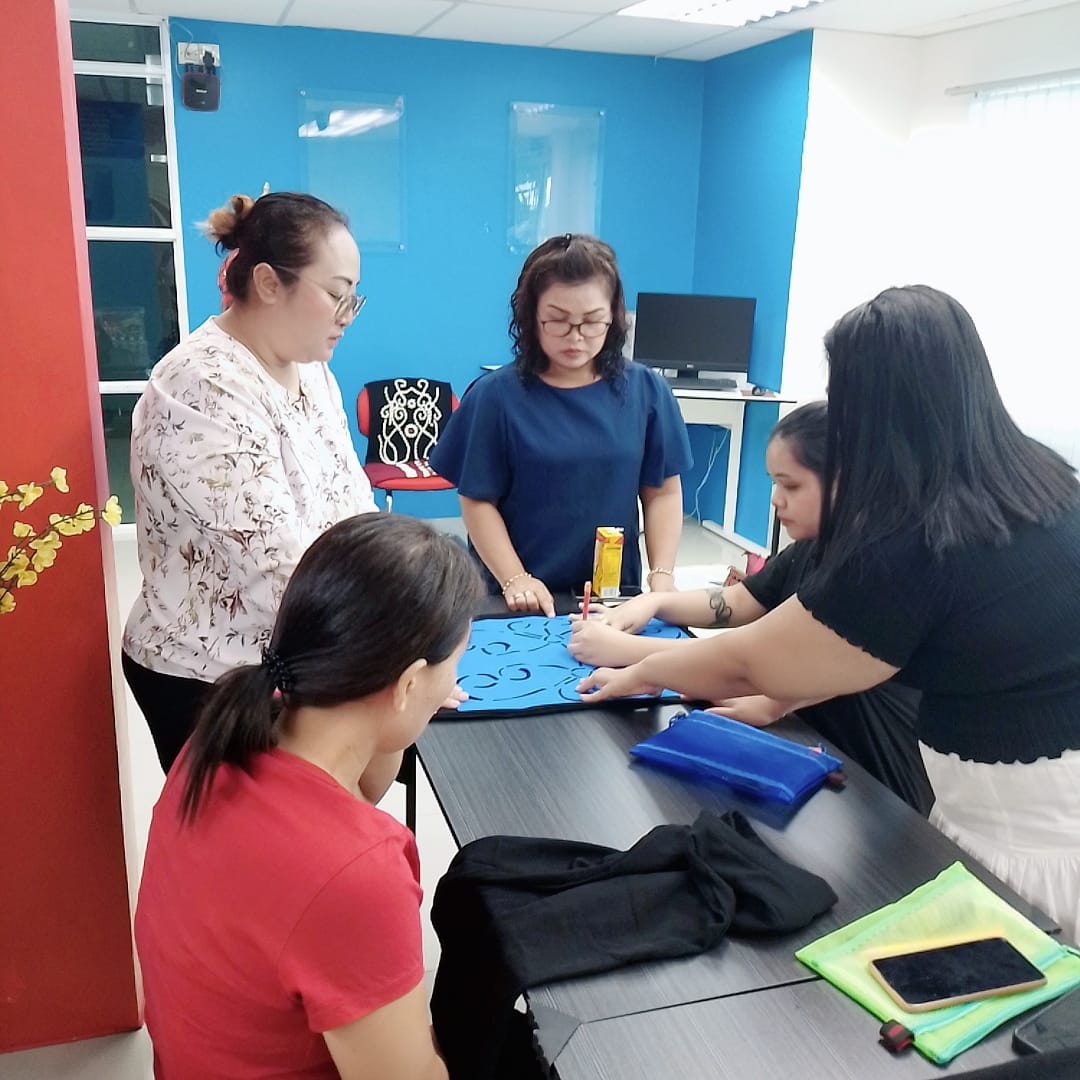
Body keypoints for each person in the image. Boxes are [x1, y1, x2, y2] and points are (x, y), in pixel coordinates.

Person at [577, 286, 1080, 944]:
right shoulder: (1042, 478)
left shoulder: (917, 539)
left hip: (1020, 843)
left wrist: (644, 668)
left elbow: (754, 660)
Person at [135, 513, 483, 1080]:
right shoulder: (358, 873)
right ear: (409, 682)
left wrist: (390, 713)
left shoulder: (225, 737)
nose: (453, 683)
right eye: (455, 665)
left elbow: (361, 789)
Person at [569, 401, 933, 814]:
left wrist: (629, 654)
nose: (775, 500)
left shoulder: (868, 571)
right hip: (810, 752)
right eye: (774, 483)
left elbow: (750, 659)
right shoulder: (811, 548)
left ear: (846, 481)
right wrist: (655, 601)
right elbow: (739, 601)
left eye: (791, 486)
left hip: (874, 787)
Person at [122, 191, 378, 773]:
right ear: (267, 282)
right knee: (247, 828)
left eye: (354, 297)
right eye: (336, 294)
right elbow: (273, 560)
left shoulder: (312, 370)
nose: (347, 315)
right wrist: (388, 645)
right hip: (208, 674)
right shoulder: (198, 384)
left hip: (298, 656)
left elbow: (353, 502)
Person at [429, 233, 692, 617]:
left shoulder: (646, 391)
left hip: (612, 597)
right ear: (530, 317)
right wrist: (515, 578)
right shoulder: (495, 397)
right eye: (557, 321)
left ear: (614, 317)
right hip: (516, 597)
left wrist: (663, 576)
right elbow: (477, 500)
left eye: (592, 322)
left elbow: (663, 492)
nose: (576, 337)